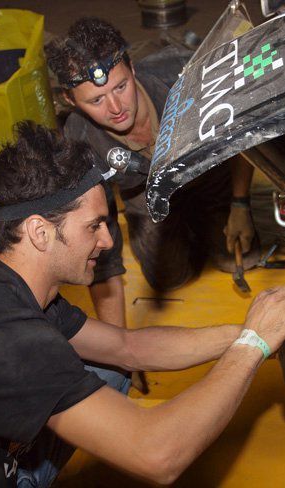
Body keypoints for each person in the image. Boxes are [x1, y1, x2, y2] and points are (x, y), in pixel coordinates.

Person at [0, 121, 285, 487]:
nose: (107, 241)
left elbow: (129, 348)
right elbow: (158, 455)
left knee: (107, 368)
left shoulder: (13, 288)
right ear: (39, 232)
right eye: (94, 226)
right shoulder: (7, 343)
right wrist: (252, 346)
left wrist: (254, 332)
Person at [45, 17, 260, 331]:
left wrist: (240, 203)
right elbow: (100, 233)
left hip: (206, 173)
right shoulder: (79, 141)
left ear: (132, 68)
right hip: (145, 197)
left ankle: (210, 215)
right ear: (70, 101)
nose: (117, 107)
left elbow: (247, 127)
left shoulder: (186, 75)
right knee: (170, 279)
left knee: (239, 258)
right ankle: (179, 227)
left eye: (121, 86)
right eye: (96, 99)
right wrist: (117, 344)